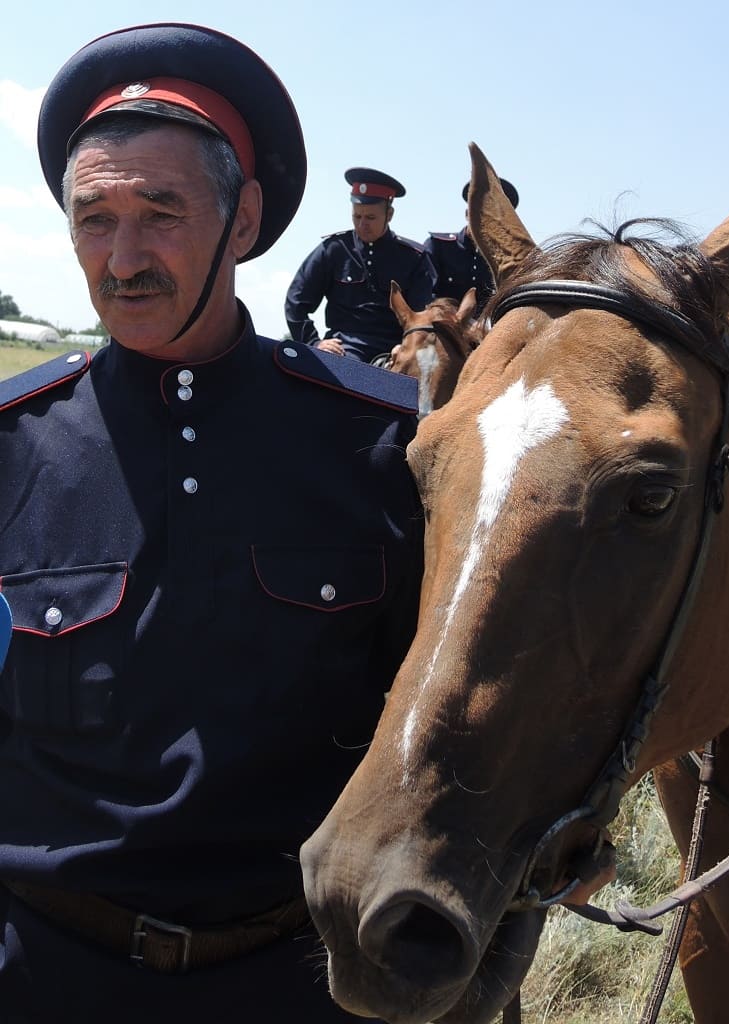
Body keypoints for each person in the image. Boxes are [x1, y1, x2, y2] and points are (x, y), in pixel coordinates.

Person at [0, 23, 423, 1024]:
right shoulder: (13, 448)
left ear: (242, 222)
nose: (124, 255)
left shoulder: (383, 445)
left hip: (301, 980)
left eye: (162, 212)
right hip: (40, 973)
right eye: (93, 217)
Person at [285, 168, 436, 362]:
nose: (362, 224)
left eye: (371, 218)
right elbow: (296, 301)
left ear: (389, 214)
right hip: (344, 348)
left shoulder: (414, 259)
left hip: (396, 350)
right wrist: (314, 342)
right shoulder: (334, 249)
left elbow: (421, 316)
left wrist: (409, 345)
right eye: (357, 216)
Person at [424, 177, 520, 312]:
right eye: (481, 214)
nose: (487, 222)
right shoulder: (439, 246)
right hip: (443, 326)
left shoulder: (509, 259)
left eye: (496, 218)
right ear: (468, 214)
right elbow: (425, 296)